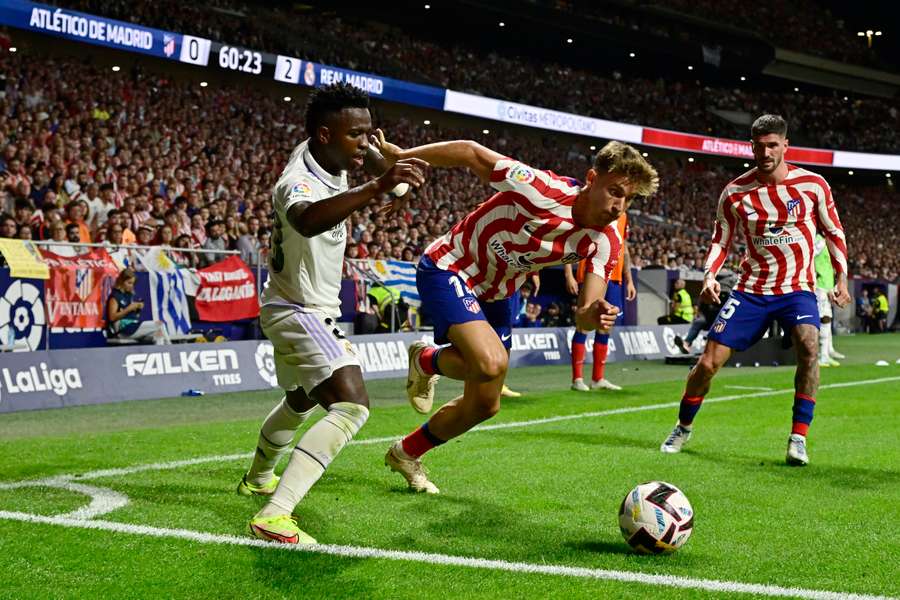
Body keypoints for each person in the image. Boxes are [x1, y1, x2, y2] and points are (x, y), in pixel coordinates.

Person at [371, 133, 658, 494]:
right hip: (452, 266)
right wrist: (403, 154)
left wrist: (593, 314)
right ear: (591, 179)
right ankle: (428, 360)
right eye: (616, 191)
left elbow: (584, 312)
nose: (620, 207)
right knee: (491, 365)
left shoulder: (605, 241)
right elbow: (470, 152)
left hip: (499, 291)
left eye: (630, 199)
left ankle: (406, 452)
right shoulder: (541, 188)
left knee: (484, 405)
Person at [236, 83, 426, 544]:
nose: (365, 142)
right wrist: (379, 181)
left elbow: (399, 187)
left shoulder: (334, 157)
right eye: (356, 135)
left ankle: (258, 478)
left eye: (369, 132)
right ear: (323, 135)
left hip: (296, 303)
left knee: (302, 400)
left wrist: (381, 161)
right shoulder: (297, 180)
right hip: (298, 309)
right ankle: (275, 512)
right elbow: (306, 218)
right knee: (352, 405)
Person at [659, 114, 850, 467]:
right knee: (708, 363)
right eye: (759, 146)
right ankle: (683, 426)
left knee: (809, 345)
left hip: (797, 288)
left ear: (785, 146)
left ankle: (798, 438)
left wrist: (841, 278)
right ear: (752, 147)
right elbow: (720, 240)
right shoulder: (735, 193)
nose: (766, 152)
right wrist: (710, 274)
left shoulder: (813, 185)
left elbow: (834, 232)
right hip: (751, 289)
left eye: (773, 145)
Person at [565, 214, 634, 391]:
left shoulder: (624, 216)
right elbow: (571, 238)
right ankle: (577, 379)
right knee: (584, 324)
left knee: (606, 325)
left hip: (615, 278)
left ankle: (597, 378)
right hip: (592, 272)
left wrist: (629, 279)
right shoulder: (598, 207)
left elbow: (623, 247)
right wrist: (568, 273)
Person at [105, 268, 168, 344]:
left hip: (133, 325)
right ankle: (171, 349)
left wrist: (137, 309)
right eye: (129, 283)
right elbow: (112, 317)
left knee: (158, 334)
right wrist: (129, 308)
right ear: (121, 281)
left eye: (133, 283)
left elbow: (133, 316)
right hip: (122, 328)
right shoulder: (115, 296)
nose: (131, 286)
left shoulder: (128, 295)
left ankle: (163, 352)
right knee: (159, 324)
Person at [814, 232, 844, 366]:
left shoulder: (825, 244)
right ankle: (821, 355)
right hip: (819, 286)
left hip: (826, 286)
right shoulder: (819, 241)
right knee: (823, 318)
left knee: (827, 318)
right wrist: (815, 275)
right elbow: (809, 256)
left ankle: (826, 352)